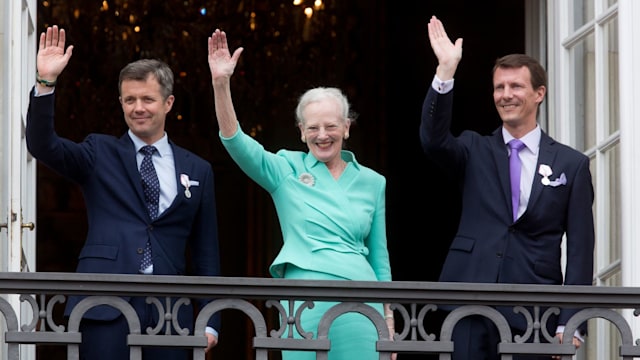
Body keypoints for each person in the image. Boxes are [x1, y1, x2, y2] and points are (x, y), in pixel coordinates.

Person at [26, 25, 221, 360]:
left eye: (147, 99)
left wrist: (210, 320)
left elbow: (206, 253)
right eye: (129, 100)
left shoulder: (198, 169)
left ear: (168, 103)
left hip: (170, 313)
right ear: (120, 103)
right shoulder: (98, 152)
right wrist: (46, 82)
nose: (138, 108)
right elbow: (43, 146)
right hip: (104, 307)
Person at [207, 29, 395, 360]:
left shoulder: (372, 181)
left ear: (347, 127)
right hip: (305, 304)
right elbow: (236, 141)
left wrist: (389, 322)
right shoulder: (285, 168)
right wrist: (221, 84)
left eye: (331, 126)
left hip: (363, 308)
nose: (322, 135)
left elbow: (380, 259)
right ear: (301, 132)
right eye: (313, 128)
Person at [420, 16, 595, 360]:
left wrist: (569, 322)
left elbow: (579, 250)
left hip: (534, 310)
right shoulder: (474, 149)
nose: (505, 95)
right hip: (468, 302)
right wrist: (444, 73)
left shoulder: (571, 165)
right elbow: (433, 141)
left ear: (539, 93)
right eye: (499, 87)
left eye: (515, 86)